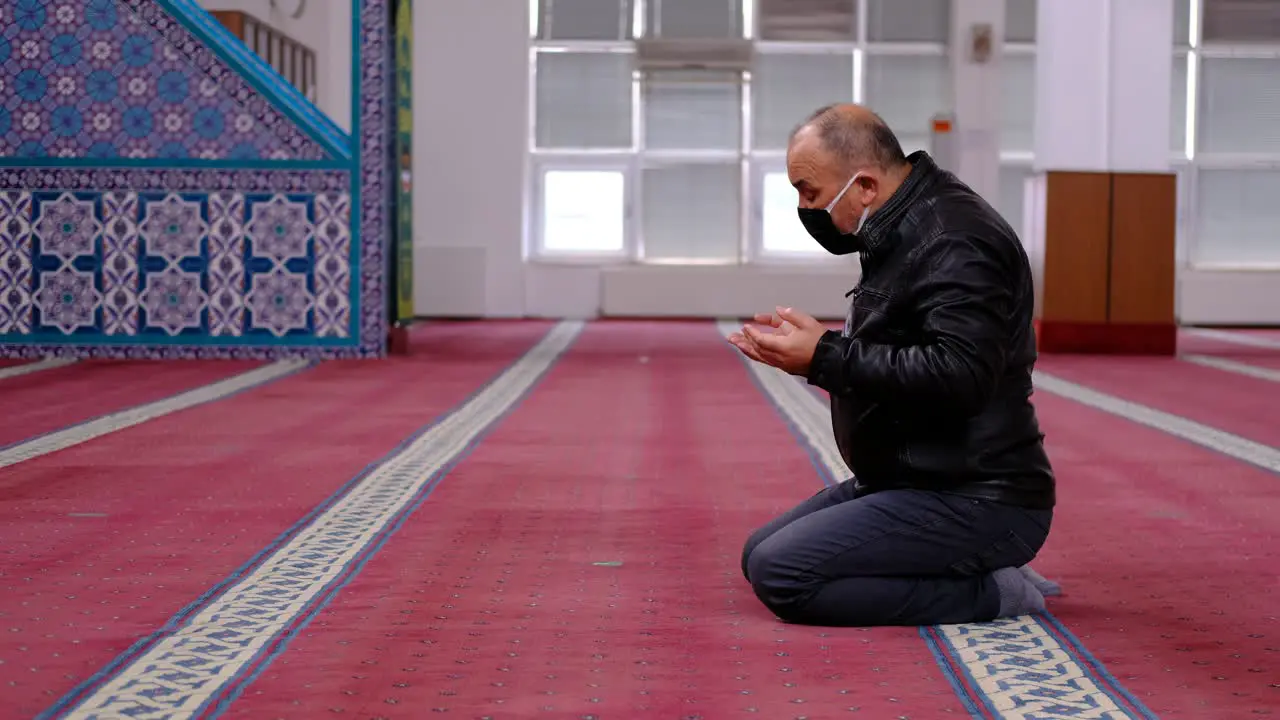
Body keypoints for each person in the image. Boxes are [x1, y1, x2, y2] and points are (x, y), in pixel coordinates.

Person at [727, 103, 1059, 627]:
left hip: (977, 495)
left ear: (863, 187)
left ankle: (992, 591)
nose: (803, 207)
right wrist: (815, 358)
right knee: (758, 554)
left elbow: (961, 378)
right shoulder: (900, 222)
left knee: (782, 574)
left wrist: (825, 357)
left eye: (809, 193)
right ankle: (963, 565)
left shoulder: (956, 241)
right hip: (913, 477)